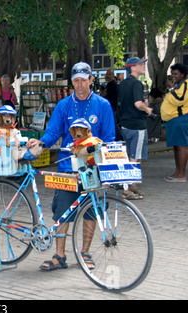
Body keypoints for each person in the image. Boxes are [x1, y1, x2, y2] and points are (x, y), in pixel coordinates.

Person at [26, 62, 115, 271]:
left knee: (93, 210)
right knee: (62, 211)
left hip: (94, 167)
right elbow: (52, 133)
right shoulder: (63, 105)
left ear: (91, 80)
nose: (80, 84)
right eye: (76, 80)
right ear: (72, 82)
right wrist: (39, 142)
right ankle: (59, 255)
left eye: (84, 80)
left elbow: (109, 137)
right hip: (68, 167)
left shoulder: (103, 105)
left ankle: (84, 252)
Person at [117, 57, 154, 200]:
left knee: (129, 156)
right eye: (140, 64)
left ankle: (132, 186)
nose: (143, 66)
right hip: (137, 125)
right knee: (135, 157)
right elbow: (138, 104)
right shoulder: (137, 84)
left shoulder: (123, 84)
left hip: (125, 125)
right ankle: (128, 189)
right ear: (133, 68)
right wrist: (147, 110)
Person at [161, 63, 188, 183]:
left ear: (183, 74)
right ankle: (177, 172)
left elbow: (180, 100)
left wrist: (171, 89)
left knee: (181, 146)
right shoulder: (179, 85)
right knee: (176, 147)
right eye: (172, 74)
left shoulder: (186, 84)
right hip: (174, 120)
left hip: (180, 119)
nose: (173, 76)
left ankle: (181, 174)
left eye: (176, 74)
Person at [101, 69, 121, 140]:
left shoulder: (111, 84)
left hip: (112, 107)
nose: (107, 76)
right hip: (113, 107)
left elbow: (105, 95)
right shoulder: (113, 84)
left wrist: (103, 94)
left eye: (109, 74)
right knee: (113, 123)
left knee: (113, 124)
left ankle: (120, 138)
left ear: (112, 75)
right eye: (107, 74)